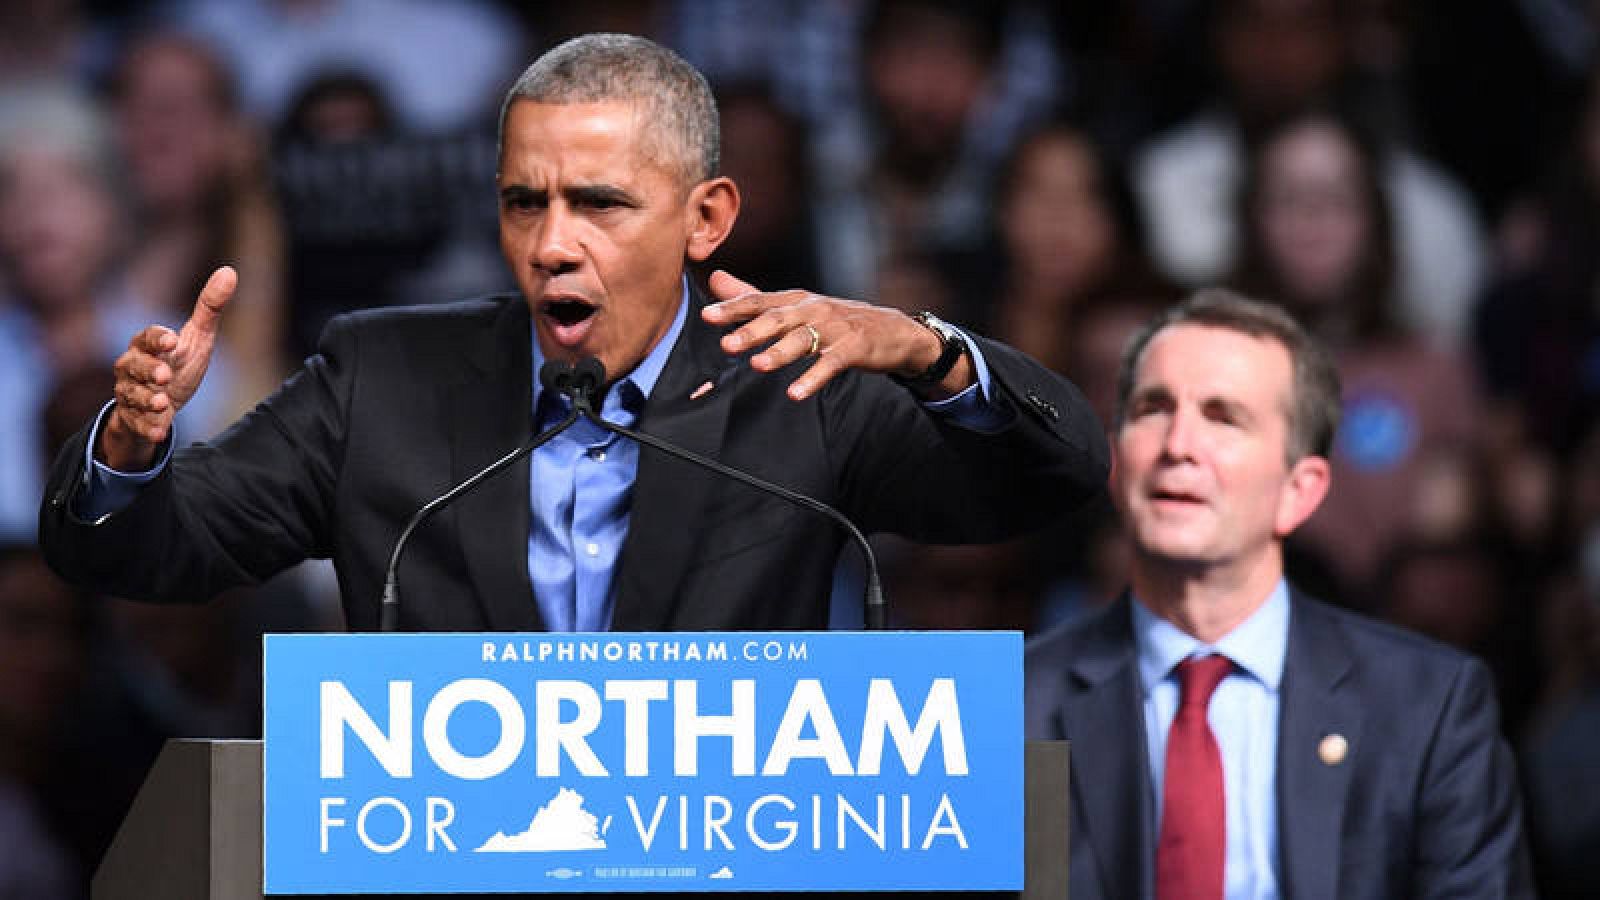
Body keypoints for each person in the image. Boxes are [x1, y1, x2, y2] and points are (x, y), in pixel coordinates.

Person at [39, 33, 1108, 633]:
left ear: (706, 219)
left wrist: (934, 353)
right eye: (522, 202)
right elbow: (140, 552)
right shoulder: (381, 377)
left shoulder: (791, 378)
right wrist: (128, 450)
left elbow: (1051, 481)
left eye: (598, 203)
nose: (550, 244)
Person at [1024, 290, 1532, 899]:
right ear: (1115, 462)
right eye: (1153, 409)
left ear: (1300, 490)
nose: (1178, 445)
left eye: (1224, 417)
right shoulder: (1015, 704)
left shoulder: (1428, 707)